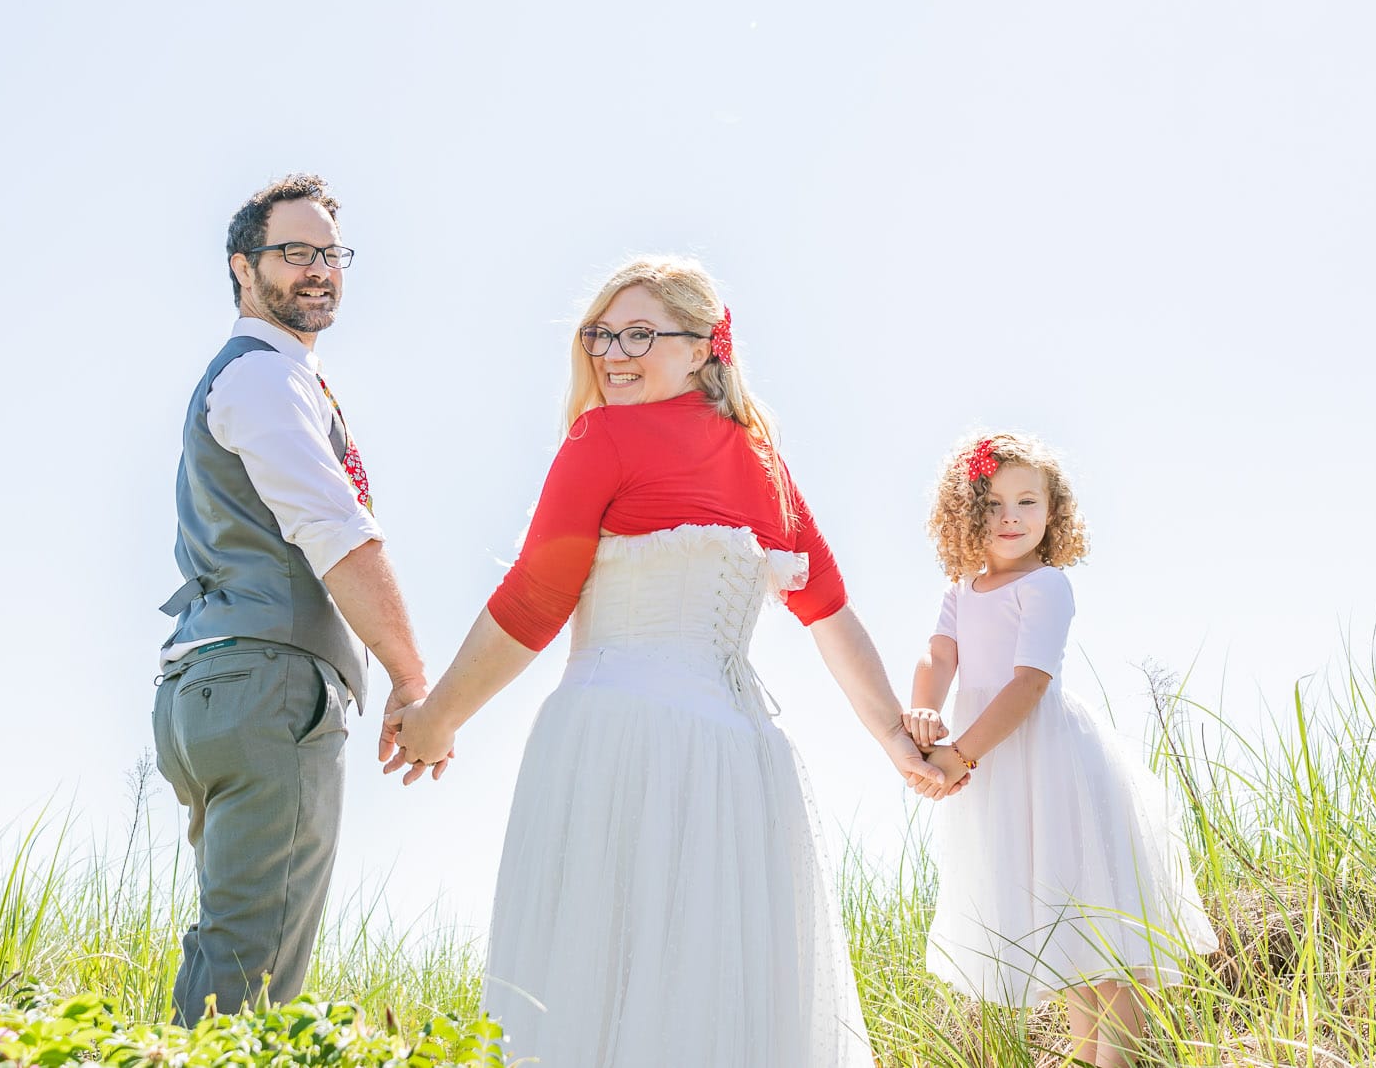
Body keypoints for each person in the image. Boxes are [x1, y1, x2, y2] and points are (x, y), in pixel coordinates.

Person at [383, 256, 958, 1068]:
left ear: (703, 348)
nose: (614, 352)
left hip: (619, 738)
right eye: (601, 332)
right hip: (742, 763)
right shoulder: (763, 462)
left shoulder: (603, 436)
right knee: (717, 1002)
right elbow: (829, 613)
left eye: (641, 334)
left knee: (595, 987)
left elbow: (535, 599)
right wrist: (895, 737)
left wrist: (435, 719)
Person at [151, 174, 436, 1023]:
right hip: (267, 687)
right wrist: (411, 679)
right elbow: (338, 533)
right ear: (243, 267)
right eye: (294, 251)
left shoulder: (270, 379)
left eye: (331, 253)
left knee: (232, 949)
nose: (318, 269)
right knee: (254, 979)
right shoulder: (262, 378)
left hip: (216, 687)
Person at [905, 430, 1215, 1068]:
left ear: (1054, 513)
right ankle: (1084, 1058)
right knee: (1060, 926)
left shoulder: (1045, 586)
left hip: (1049, 761)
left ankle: (1118, 1060)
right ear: (964, 513)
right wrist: (927, 706)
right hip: (996, 770)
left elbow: (1029, 684)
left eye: (1027, 502)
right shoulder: (962, 588)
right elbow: (940, 655)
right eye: (992, 503)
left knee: (1102, 925)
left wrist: (959, 755)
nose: (1011, 517)